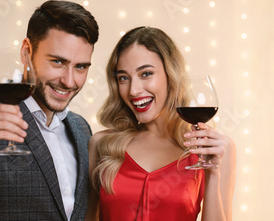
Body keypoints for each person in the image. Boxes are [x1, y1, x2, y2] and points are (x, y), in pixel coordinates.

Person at [0, 1, 99, 220]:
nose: (69, 81)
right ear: (26, 52)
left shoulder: (82, 128)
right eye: (58, 61)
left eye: (81, 67)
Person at [85, 26, 236, 221]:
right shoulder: (101, 145)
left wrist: (213, 173)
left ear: (170, 75)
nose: (133, 90)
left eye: (146, 74)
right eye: (124, 78)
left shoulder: (213, 148)